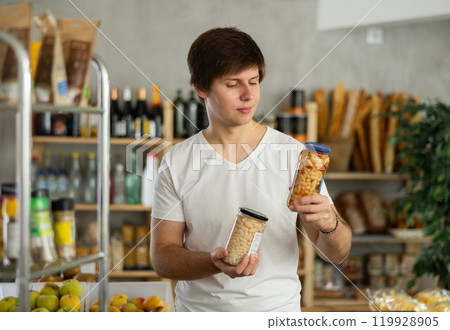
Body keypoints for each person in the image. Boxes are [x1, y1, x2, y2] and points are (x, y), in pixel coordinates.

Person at [150, 27, 352, 312]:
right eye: (233, 85)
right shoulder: (178, 161)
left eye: (254, 82)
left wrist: (329, 223)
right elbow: (163, 258)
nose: (248, 95)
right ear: (201, 88)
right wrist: (214, 262)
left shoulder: (295, 155)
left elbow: (336, 254)